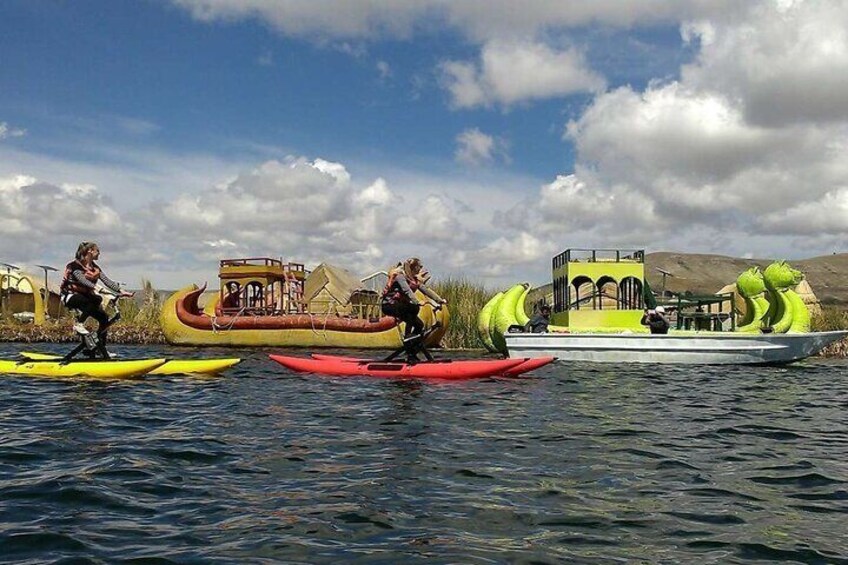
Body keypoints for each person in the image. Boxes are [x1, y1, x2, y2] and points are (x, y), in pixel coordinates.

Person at [60, 241, 134, 337]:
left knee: (104, 317)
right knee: (95, 299)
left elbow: (107, 281)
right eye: (97, 251)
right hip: (70, 296)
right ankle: (79, 324)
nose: (99, 253)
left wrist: (121, 291)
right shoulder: (74, 266)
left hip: (86, 298)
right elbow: (83, 280)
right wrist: (98, 288)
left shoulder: (95, 268)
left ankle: (99, 348)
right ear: (90, 251)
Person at [381, 257, 447, 347]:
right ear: (414, 267)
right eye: (419, 266)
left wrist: (439, 300)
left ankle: (411, 347)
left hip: (402, 306)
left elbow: (426, 290)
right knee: (413, 307)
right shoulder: (400, 277)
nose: (421, 268)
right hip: (390, 305)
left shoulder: (414, 280)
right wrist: (416, 301)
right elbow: (407, 290)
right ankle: (408, 338)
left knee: (419, 325)